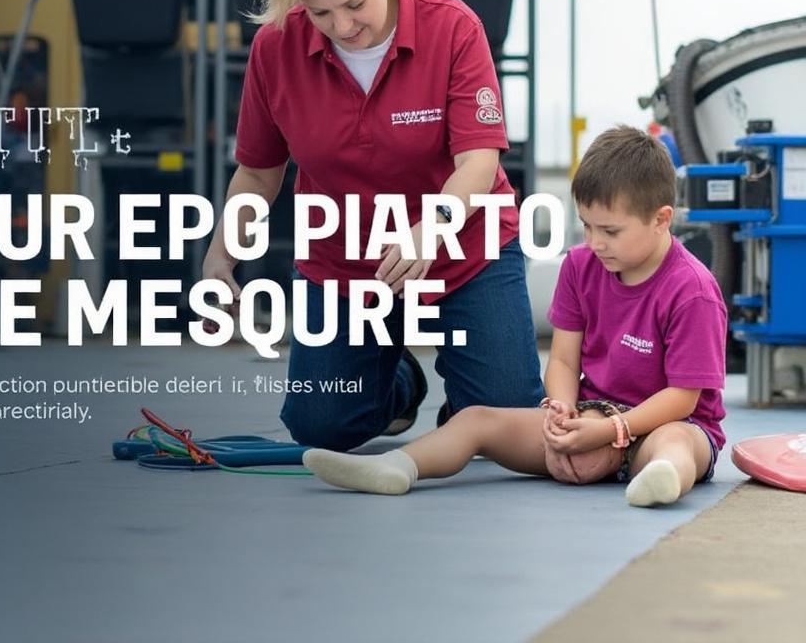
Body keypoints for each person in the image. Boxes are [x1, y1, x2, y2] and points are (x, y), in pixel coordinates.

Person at [200, 0, 543, 451]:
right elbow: (258, 174)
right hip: (344, 259)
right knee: (322, 427)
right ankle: (400, 380)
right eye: (320, 14)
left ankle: (473, 395)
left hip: (462, 247)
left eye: (354, 4)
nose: (342, 26)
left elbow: (478, 161)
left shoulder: (452, 26)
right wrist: (220, 258)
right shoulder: (274, 48)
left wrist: (433, 228)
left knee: (508, 420)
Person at [303, 126, 727, 507]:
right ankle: (398, 466)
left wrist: (613, 430)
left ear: (661, 219)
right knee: (475, 419)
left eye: (610, 231)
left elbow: (683, 398)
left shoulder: (692, 291)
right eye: (586, 226)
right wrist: (562, 411)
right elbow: (563, 359)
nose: (595, 242)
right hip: (590, 416)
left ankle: (662, 478)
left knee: (677, 444)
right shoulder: (581, 266)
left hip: (663, 425)